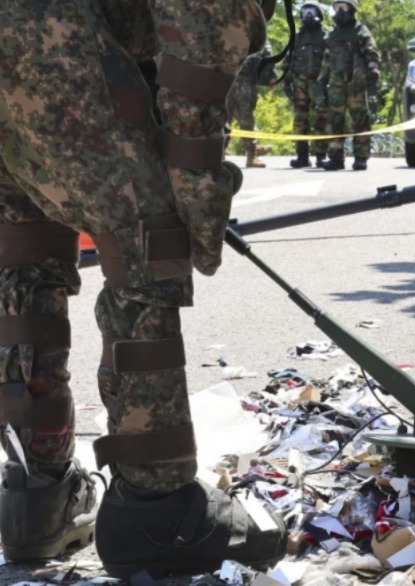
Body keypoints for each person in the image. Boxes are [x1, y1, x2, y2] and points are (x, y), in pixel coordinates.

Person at [0, 0, 287, 578]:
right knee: (146, 251)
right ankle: (158, 512)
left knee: (24, 256)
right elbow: (207, 24)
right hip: (49, 39)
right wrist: (197, 179)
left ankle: (38, 502)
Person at [317, 0, 380, 171]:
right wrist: (321, 83)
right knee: (335, 120)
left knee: (360, 119)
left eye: (343, 8)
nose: (339, 12)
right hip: (336, 83)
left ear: (352, 10)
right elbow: (327, 60)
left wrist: (373, 72)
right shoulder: (333, 34)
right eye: (336, 9)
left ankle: (361, 157)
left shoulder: (361, 31)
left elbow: (371, 53)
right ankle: (336, 158)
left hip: (356, 82)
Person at [283, 1, 330, 169]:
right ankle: (302, 156)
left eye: (311, 12)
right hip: (300, 83)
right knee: (300, 120)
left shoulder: (326, 36)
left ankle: (321, 156)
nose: (307, 16)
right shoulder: (296, 36)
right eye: (305, 12)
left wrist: (329, 82)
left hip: (320, 83)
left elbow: (332, 60)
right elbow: (288, 60)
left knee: (322, 119)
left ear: (319, 13)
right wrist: (287, 81)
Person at [227, 40, 279, 168]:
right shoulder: (258, 34)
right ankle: (250, 154)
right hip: (235, 79)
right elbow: (267, 59)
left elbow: (267, 60)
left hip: (234, 79)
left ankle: (251, 153)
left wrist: (271, 76)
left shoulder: (228, 27)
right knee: (237, 118)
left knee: (235, 118)